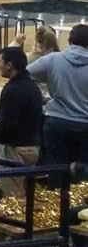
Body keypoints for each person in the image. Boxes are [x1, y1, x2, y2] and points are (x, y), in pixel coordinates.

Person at [31, 23, 88, 165]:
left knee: (55, 168)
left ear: (69, 41)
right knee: (80, 173)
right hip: (85, 124)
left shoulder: (53, 59)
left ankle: (55, 186)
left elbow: (25, 74)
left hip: (56, 121)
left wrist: (48, 79)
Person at [0, 45, 42, 167]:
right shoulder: (33, 86)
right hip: (33, 147)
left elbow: (7, 123)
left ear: (9, 65)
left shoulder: (13, 90)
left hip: (15, 150)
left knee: (10, 186)